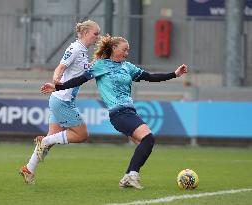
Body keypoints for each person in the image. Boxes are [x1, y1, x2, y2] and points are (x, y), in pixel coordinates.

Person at [40, 34, 188, 189]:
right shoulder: (100, 65)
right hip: (119, 114)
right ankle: (132, 175)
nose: (127, 53)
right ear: (114, 48)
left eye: (128, 50)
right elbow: (79, 80)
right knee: (148, 139)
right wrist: (57, 87)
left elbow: (150, 77)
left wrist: (175, 74)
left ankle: (127, 177)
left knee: (145, 144)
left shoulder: (127, 67)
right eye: (124, 49)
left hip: (130, 113)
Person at [19, 20, 100, 184]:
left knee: (52, 137)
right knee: (82, 134)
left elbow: (80, 70)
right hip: (63, 101)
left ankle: (28, 168)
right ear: (85, 33)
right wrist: (56, 79)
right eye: (95, 34)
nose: (97, 37)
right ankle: (44, 141)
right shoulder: (75, 48)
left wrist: (95, 63)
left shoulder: (83, 51)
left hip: (59, 99)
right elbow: (61, 66)